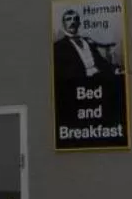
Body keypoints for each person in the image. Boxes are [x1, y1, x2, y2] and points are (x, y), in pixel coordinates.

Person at [53, 8, 126, 143]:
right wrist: (88, 73)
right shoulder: (59, 47)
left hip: (99, 79)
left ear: (79, 22)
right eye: (69, 19)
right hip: (79, 84)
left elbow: (100, 61)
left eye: (75, 19)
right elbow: (63, 71)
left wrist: (114, 70)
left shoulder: (86, 41)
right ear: (64, 23)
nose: (72, 22)